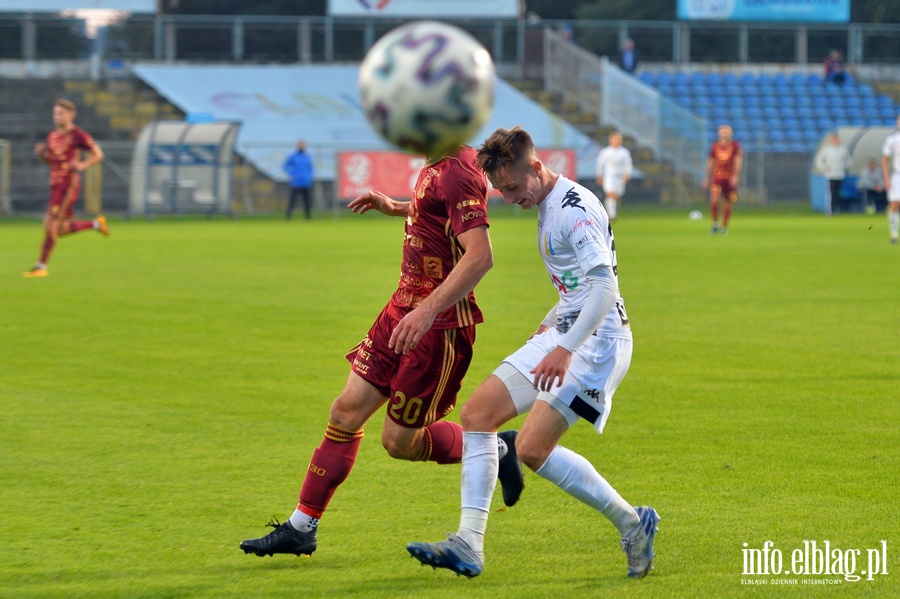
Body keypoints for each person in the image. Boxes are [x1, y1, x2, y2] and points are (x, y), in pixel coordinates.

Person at [239, 144, 523, 558]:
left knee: (399, 443)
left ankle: (496, 448)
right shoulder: (439, 161)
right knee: (345, 412)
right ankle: (302, 527)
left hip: (436, 326)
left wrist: (426, 312)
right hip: (401, 310)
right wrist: (397, 208)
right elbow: (437, 209)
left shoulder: (459, 170)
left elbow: (480, 256)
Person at [406, 126, 659, 579]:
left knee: (531, 449)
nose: (508, 197)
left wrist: (563, 347)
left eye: (514, 187)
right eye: (501, 190)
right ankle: (468, 543)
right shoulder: (548, 201)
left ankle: (632, 523)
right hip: (567, 329)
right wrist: (552, 321)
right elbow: (579, 284)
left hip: (597, 343)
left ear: (537, 168)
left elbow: (604, 288)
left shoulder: (573, 211)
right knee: (478, 414)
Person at [23, 99, 107, 278]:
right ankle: (95, 224)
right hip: (55, 185)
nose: (57, 116)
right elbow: (51, 163)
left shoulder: (78, 135)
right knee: (59, 229)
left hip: (68, 185)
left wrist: (83, 165)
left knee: (50, 224)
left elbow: (98, 154)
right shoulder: (52, 136)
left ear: (71, 115)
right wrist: (41, 155)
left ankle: (41, 266)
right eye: (55, 113)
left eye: (61, 113)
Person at [702, 124, 742, 235]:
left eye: (727, 131)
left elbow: (737, 160)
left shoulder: (735, 145)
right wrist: (707, 177)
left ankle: (724, 226)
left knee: (729, 202)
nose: (725, 133)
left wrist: (736, 175)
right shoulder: (715, 146)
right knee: (714, 199)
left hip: (730, 178)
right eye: (723, 131)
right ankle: (715, 224)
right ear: (719, 133)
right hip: (717, 178)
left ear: (731, 133)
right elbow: (711, 161)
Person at [595, 132, 633, 222]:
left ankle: (608, 210)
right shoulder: (606, 151)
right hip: (609, 176)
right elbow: (600, 164)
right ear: (610, 140)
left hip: (620, 177)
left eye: (618, 139)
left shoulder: (624, 152)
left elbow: (628, 164)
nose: (616, 141)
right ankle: (612, 215)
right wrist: (599, 175)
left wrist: (628, 173)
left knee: (616, 196)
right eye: (614, 139)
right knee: (610, 194)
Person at [814, 133, 851, 216]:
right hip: (830, 175)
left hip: (840, 175)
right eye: (834, 139)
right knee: (831, 193)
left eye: (837, 139)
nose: (836, 141)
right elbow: (818, 160)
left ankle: (838, 209)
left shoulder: (843, 149)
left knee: (839, 193)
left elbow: (849, 161)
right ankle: (830, 211)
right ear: (832, 140)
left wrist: (843, 167)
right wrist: (825, 168)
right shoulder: (827, 149)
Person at [283, 140, 314, 219]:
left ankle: (308, 217)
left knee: (307, 201)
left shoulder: (307, 156)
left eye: (303, 145)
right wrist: (292, 174)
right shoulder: (293, 156)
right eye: (300, 145)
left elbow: (310, 168)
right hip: (296, 182)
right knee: (292, 201)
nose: (301, 147)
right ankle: (288, 216)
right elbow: (285, 166)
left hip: (306, 182)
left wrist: (309, 176)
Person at [881, 114, 900, 245]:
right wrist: (887, 178)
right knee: (894, 204)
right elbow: (885, 159)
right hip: (897, 175)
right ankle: (894, 235)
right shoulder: (892, 139)